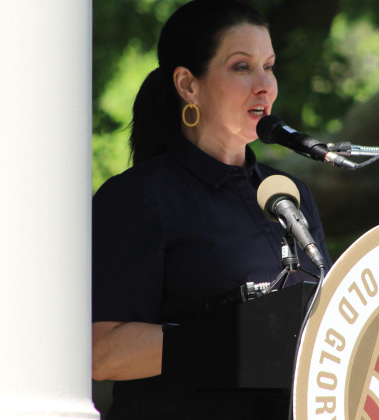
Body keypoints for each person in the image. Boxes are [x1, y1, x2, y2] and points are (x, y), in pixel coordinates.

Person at [91, 1, 331, 418]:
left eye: (269, 66)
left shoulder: (289, 194)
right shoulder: (138, 198)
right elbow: (103, 351)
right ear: (188, 85)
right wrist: (241, 339)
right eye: (242, 67)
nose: (265, 86)